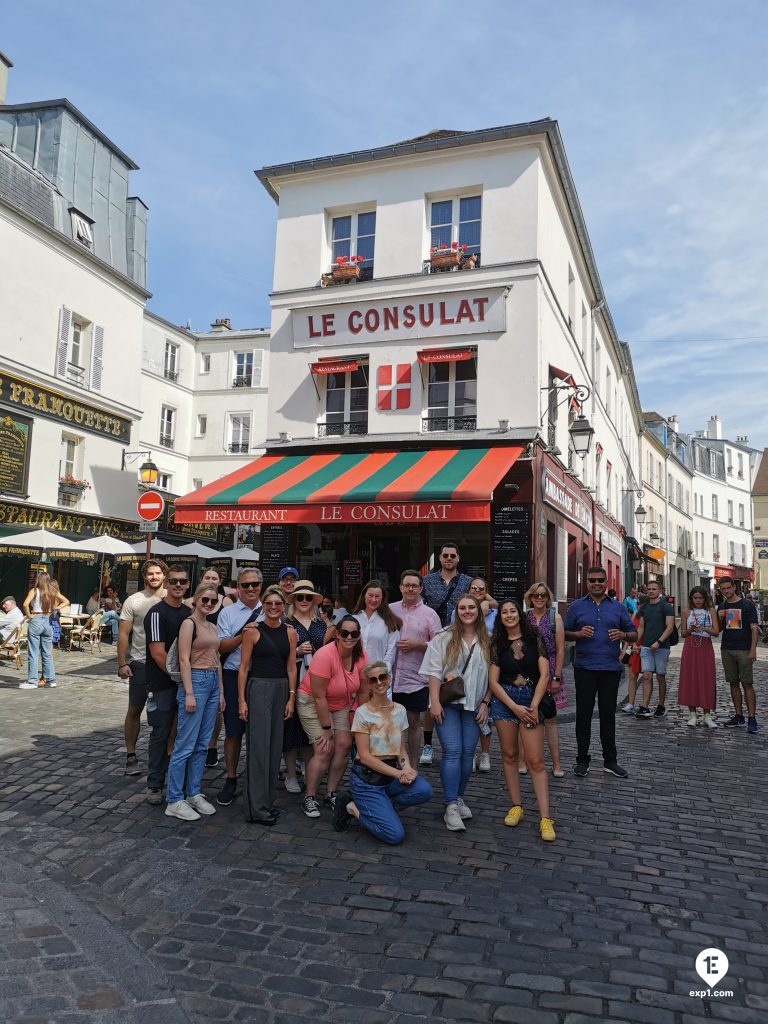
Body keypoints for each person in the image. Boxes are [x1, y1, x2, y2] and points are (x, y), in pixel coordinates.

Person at [333, 662, 433, 843]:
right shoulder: (362, 713)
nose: (379, 682)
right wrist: (399, 774)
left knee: (424, 790)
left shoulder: (400, 710)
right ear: (369, 685)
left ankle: (382, 808)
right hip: (367, 780)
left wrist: (407, 768)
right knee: (395, 835)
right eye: (373, 680)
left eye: (382, 677)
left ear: (389, 678)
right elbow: (365, 757)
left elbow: (401, 750)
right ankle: (352, 807)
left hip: (389, 778)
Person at [421, 594, 492, 832]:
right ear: (456, 611)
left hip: (475, 705)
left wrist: (486, 703)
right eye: (462, 608)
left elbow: (494, 676)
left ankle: (459, 796)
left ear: (478, 611)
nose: (467, 611)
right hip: (448, 704)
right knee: (452, 751)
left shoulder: (488, 639)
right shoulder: (444, 637)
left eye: (471, 607)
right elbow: (433, 672)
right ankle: (450, 805)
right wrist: (434, 702)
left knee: (467, 754)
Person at [489, 600, 556, 841]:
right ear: (500, 618)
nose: (509, 615)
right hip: (506, 702)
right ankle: (516, 806)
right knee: (509, 755)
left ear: (519, 614)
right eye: (504, 612)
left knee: (536, 760)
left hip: (530, 701)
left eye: (512, 611)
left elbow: (544, 674)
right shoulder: (497, 643)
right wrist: (513, 707)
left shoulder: (534, 637)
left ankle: (545, 818)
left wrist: (534, 706)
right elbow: (493, 681)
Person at [563, 566, 637, 779]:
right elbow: (564, 633)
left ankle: (610, 760)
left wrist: (623, 634)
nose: (596, 583)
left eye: (600, 580)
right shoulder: (576, 606)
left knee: (608, 716)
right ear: (587, 582)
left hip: (610, 669)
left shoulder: (618, 607)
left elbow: (633, 633)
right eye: (592, 580)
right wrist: (578, 634)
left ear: (606, 583)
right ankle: (582, 760)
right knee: (583, 715)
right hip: (584, 668)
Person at [297, 613, 368, 818]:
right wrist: (327, 728)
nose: (349, 637)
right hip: (312, 701)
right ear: (337, 634)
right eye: (344, 633)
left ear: (358, 635)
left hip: (341, 702)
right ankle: (309, 797)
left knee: (344, 745)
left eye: (354, 633)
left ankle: (331, 793)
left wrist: (360, 718)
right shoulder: (325, 655)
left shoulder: (361, 656)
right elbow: (319, 696)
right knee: (324, 748)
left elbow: (363, 692)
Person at [238, 586, 297, 826]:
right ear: (263, 606)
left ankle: (267, 802)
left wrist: (291, 697)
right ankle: (256, 809)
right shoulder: (252, 631)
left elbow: (291, 667)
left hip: (281, 689)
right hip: (259, 688)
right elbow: (243, 668)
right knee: (259, 748)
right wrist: (241, 700)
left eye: (278, 603)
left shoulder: (290, 632)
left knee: (274, 748)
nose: (274, 607)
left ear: (284, 606)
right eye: (269, 603)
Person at [165, 583, 224, 821]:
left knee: (202, 744)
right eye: (205, 599)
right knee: (185, 744)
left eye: (213, 601)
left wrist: (221, 692)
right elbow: (183, 659)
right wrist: (188, 692)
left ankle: (193, 792)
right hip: (196, 681)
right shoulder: (189, 624)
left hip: (212, 681)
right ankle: (174, 799)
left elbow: (217, 659)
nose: (209, 604)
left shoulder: (212, 625)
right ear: (196, 599)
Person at [143, 565, 192, 804]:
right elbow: (157, 652)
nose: (178, 585)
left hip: (184, 683)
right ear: (166, 584)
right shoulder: (156, 613)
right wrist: (180, 677)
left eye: (182, 581)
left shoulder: (189, 613)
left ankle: (178, 782)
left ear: (188, 585)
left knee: (183, 735)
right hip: (163, 683)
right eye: (173, 581)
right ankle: (155, 784)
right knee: (161, 734)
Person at [215, 568, 264, 806]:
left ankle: (257, 779)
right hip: (233, 674)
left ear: (261, 585)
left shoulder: (271, 608)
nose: (251, 588)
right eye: (246, 585)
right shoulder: (228, 613)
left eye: (255, 584)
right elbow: (221, 647)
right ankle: (231, 778)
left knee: (260, 732)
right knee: (234, 731)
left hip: (263, 676)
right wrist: (243, 635)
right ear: (238, 587)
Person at [117, 560, 167, 775]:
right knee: (135, 708)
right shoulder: (134, 600)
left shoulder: (172, 597)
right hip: (140, 662)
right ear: (145, 576)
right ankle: (131, 755)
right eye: (150, 574)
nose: (154, 577)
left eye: (158, 573)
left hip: (165, 664)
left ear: (164, 575)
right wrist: (122, 663)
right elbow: (123, 634)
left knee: (167, 712)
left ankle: (165, 755)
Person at [389, 570, 441, 769]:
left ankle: (412, 767)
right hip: (390, 677)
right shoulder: (390, 609)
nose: (410, 589)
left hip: (415, 678)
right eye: (407, 585)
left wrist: (418, 645)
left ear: (420, 589)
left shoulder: (430, 614)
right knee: (392, 724)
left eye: (414, 586)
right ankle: (393, 765)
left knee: (413, 723)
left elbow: (439, 645)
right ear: (400, 587)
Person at [285, 579, 333, 793]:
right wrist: (296, 652)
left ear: (314, 601)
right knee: (290, 727)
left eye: (308, 597)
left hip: (315, 681)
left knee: (310, 728)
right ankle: (290, 774)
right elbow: (278, 651)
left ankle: (308, 767)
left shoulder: (320, 624)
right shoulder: (287, 623)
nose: (304, 601)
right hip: (293, 679)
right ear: (294, 600)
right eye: (300, 597)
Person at [185, 567, 234, 768]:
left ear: (220, 581)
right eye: (207, 577)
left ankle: (211, 746)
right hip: (196, 663)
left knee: (215, 713)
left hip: (217, 660)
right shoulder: (190, 607)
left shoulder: (226, 602)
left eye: (215, 578)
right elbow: (184, 653)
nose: (211, 580)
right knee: (192, 717)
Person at [523, 581, 566, 777]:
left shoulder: (554, 617)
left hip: (549, 671)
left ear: (548, 598)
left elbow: (560, 650)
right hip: (528, 672)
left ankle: (556, 764)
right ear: (530, 597)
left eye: (543, 595)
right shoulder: (525, 618)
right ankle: (523, 761)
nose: (539, 598)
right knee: (525, 717)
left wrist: (556, 676)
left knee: (550, 719)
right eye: (535, 595)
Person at [718, 576, 759, 733]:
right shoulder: (722, 606)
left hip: (744, 649)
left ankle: (752, 718)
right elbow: (719, 630)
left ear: (734, 587)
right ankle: (738, 715)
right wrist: (719, 618)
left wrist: (753, 649)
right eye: (723, 589)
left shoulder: (746, 604)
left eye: (728, 588)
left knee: (747, 683)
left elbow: (754, 628)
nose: (726, 591)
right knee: (733, 683)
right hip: (727, 648)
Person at [679, 586, 720, 728]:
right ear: (691, 598)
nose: (698, 600)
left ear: (705, 598)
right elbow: (683, 634)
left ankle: (707, 715)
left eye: (700, 598)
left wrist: (705, 628)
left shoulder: (711, 612)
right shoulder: (686, 612)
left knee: (707, 679)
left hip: (705, 646)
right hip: (690, 646)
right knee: (690, 679)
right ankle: (692, 715)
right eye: (695, 598)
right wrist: (690, 630)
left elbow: (716, 632)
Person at [635, 580, 675, 719]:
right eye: (649, 589)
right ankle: (644, 707)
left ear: (660, 591)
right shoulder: (644, 608)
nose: (651, 591)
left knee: (660, 676)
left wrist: (658, 642)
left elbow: (670, 627)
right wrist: (636, 642)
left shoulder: (666, 606)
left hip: (662, 648)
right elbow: (641, 627)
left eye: (654, 589)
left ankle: (661, 705)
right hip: (646, 647)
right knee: (646, 675)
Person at [21, 573, 69, 689]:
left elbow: (25, 604)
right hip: (48, 620)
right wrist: (56, 608)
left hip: (36, 619)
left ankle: (32, 681)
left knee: (33, 652)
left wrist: (29, 616)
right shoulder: (53, 591)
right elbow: (66, 601)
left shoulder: (34, 591)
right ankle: (51, 680)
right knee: (47, 653)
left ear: (39, 580)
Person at [353, 579, 401, 676]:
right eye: (370, 595)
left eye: (377, 596)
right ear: (364, 595)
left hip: (378, 677)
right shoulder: (354, 619)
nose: (374, 600)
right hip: (355, 675)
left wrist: (381, 673)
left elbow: (390, 654)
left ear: (382, 598)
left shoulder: (389, 622)